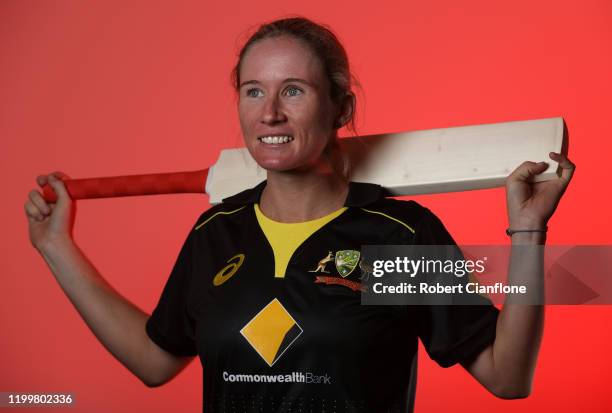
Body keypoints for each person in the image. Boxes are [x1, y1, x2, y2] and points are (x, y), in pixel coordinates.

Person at [25, 17, 575, 413]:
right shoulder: (219, 232)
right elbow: (154, 362)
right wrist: (57, 248)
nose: (269, 113)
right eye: (252, 91)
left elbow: (507, 377)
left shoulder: (396, 236)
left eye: (293, 90)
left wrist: (528, 233)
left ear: (341, 108)